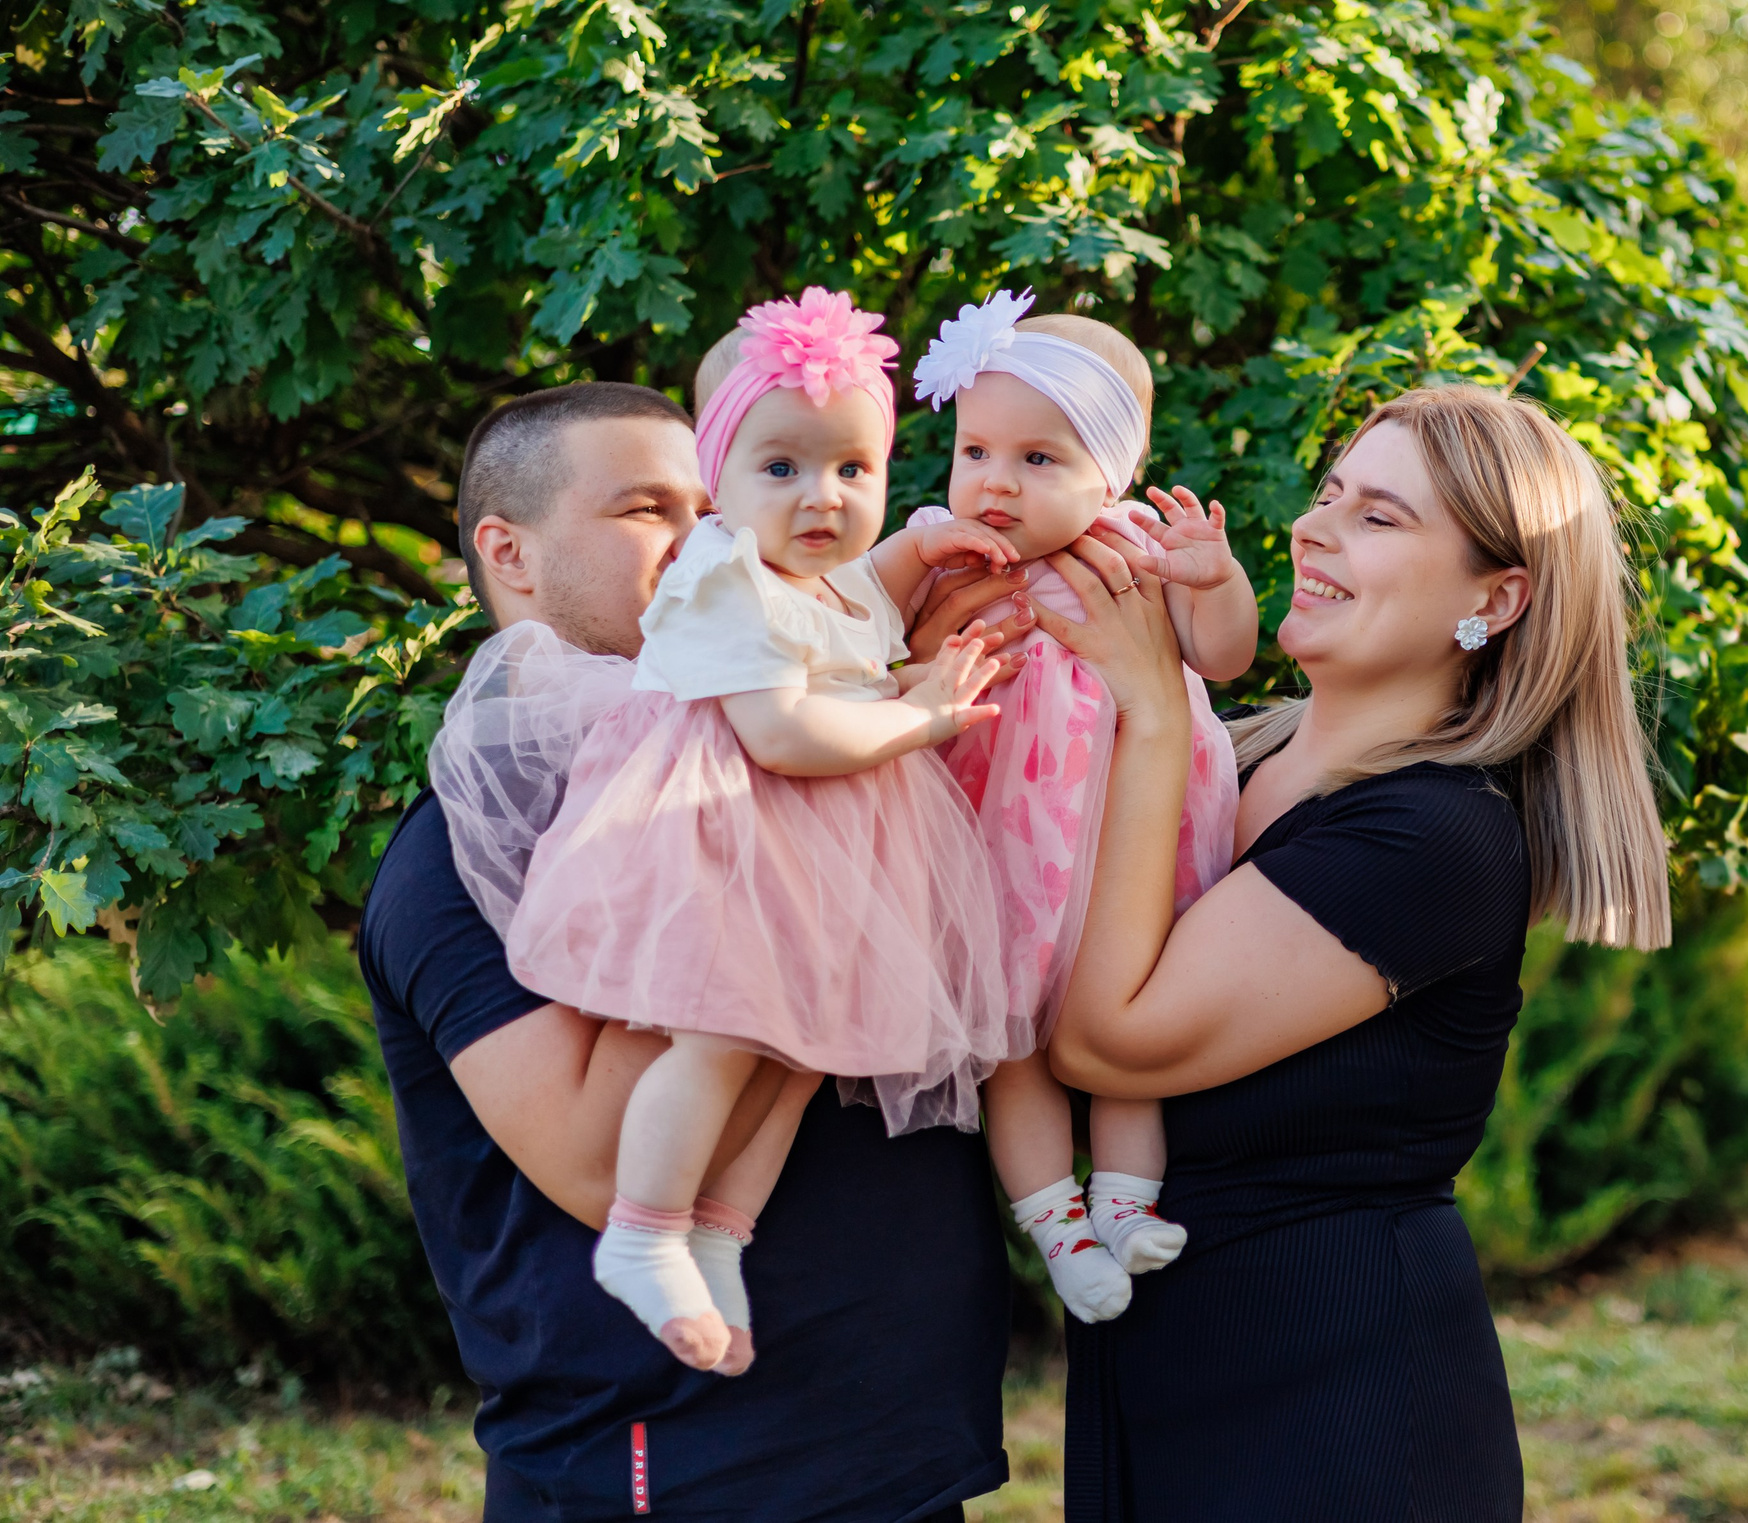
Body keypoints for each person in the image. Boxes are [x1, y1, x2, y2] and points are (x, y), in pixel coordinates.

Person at [358, 376, 1023, 1521]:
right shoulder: (472, 845)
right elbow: (598, 1162)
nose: (704, 536)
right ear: (509, 554)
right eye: (644, 510)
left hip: (896, 1445)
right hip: (679, 1462)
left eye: (708, 505)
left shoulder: (810, 755)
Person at [1038, 384, 1675, 1520]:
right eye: (1329, 495)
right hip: (1172, 1371)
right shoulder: (1235, 756)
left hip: (1339, 1415)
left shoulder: (1434, 836)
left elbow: (1108, 1043)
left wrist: (1149, 709)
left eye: (1380, 517)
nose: (1312, 528)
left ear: (1495, 598)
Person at [463, 289, 1018, 1376]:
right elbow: (782, 735)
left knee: (800, 1049)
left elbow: (867, 598)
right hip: (721, 825)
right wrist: (922, 715)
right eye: (783, 470)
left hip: (823, 852)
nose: (822, 498)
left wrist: (925, 544)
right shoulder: (722, 576)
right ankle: (646, 1228)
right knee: (719, 1032)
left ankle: (718, 1233)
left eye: (854, 472)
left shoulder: (813, 572)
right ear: (726, 483)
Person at [874, 289, 1253, 1324]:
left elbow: (1224, 658)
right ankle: (1059, 1230)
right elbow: (859, 630)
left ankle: (1128, 1205)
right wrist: (911, 571)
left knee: (1127, 1026)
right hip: (999, 838)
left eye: (1039, 460)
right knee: (1014, 1039)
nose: (995, 482)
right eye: (978, 451)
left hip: (1131, 828)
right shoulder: (939, 548)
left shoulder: (1137, 549)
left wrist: (1213, 582)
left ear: (1112, 474)